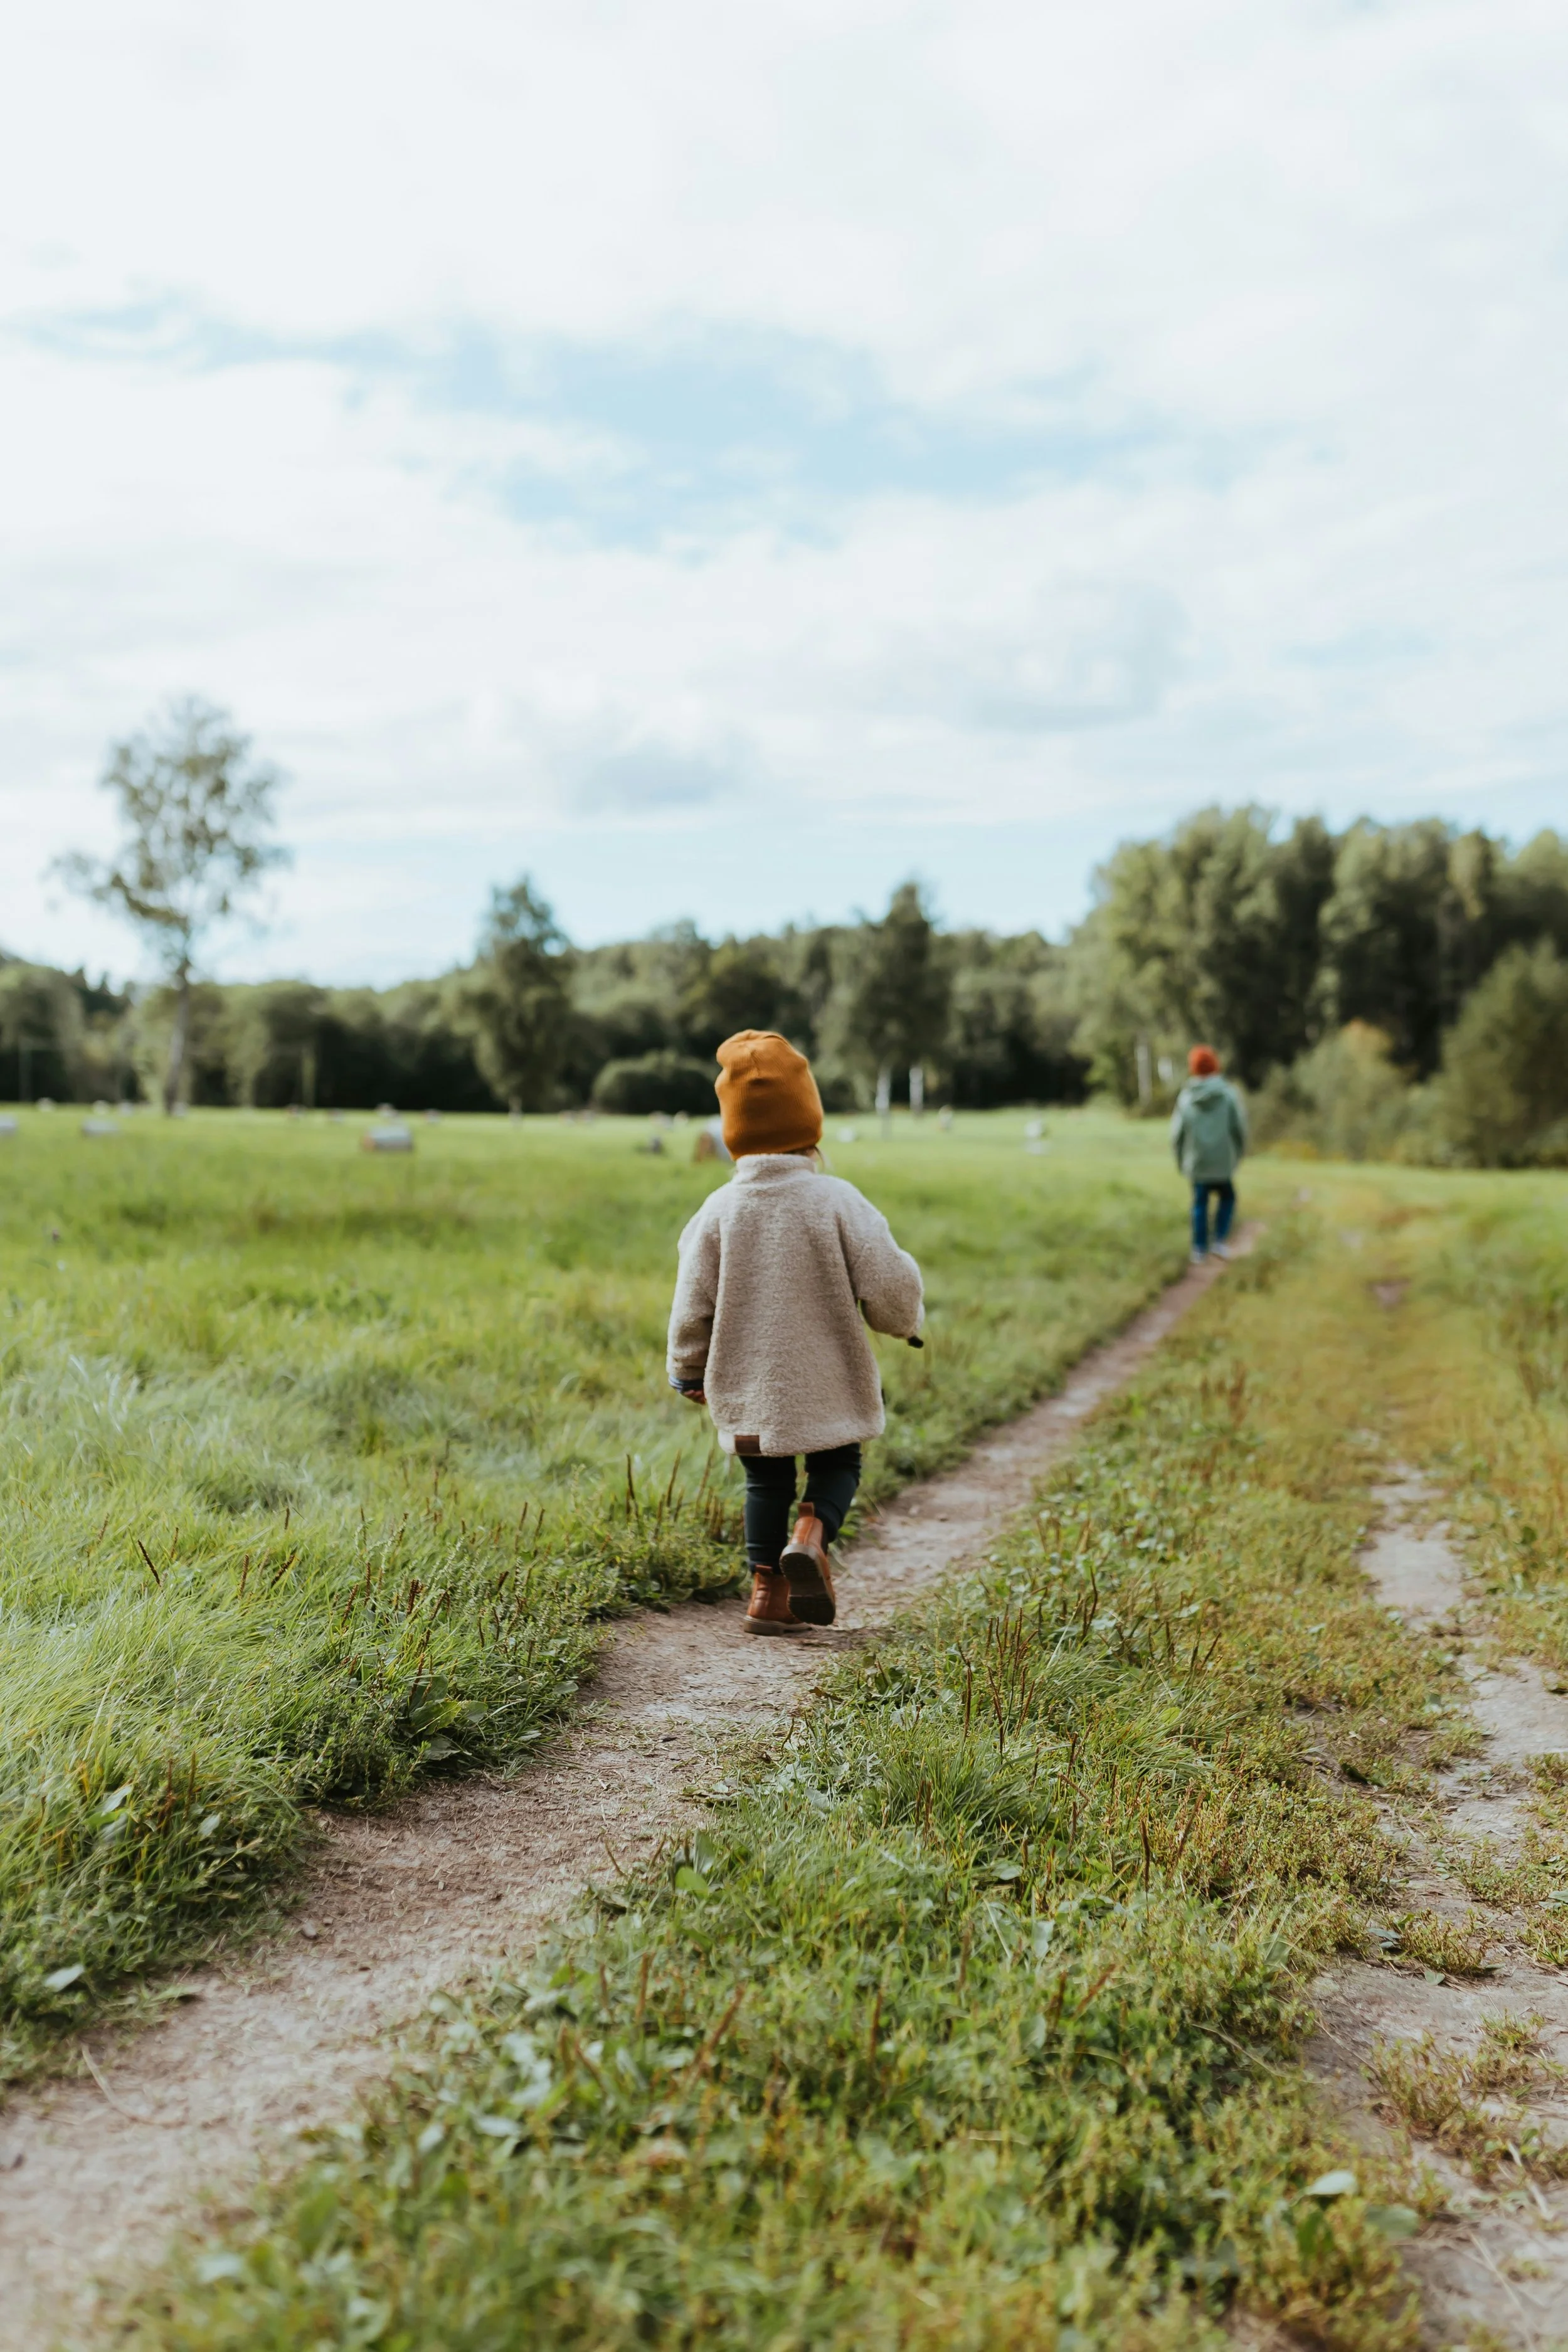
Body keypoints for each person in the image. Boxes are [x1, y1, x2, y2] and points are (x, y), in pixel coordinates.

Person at [667, 1030, 924, 1635]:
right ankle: (811, 1533)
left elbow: (690, 1304)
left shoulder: (717, 1212)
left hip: (750, 1383)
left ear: (733, 1132)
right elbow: (889, 1280)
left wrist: (689, 1368)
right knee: (840, 1461)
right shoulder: (838, 1199)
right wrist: (904, 1323)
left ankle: (766, 1596)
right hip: (829, 1375)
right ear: (811, 1120)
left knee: (765, 1480)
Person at [1171, 1045, 1247, 1264]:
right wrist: (1239, 1153)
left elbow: (1176, 1134)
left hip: (1197, 1162)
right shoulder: (1228, 1095)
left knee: (1199, 1203)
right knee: (1228, 1197)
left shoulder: (1186, 1097)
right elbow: (1239, 1128)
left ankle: (1199, 1248)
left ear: (1193, 1068)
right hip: (1223, 1161)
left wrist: (1180, 1160)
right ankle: (1219, 1240)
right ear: (1215, 1065)